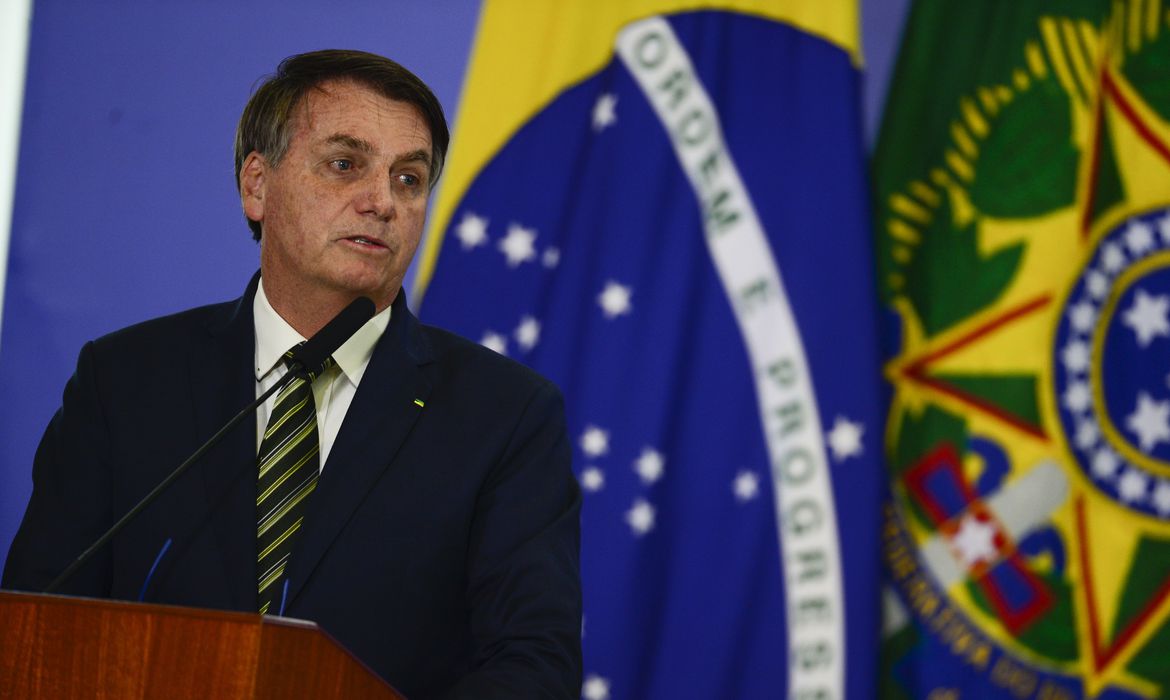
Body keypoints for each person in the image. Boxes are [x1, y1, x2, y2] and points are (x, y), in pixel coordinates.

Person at [2, 49, 582, 699]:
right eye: (345, 165)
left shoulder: (504, 415)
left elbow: (534, 667)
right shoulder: (125, 381)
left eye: (409, 179)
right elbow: (34, 623)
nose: (383, 202)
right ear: (258, 186)